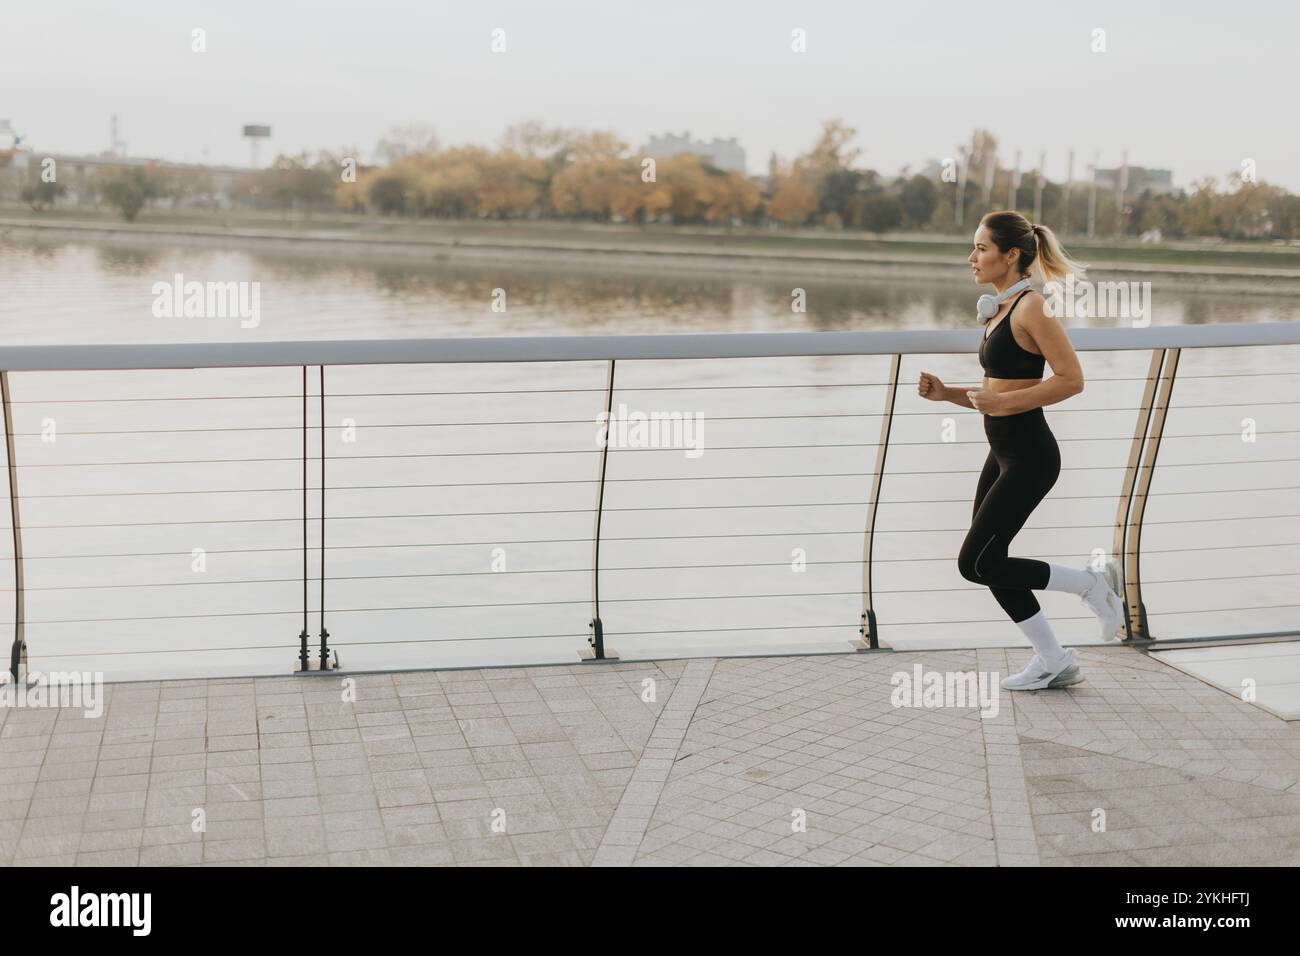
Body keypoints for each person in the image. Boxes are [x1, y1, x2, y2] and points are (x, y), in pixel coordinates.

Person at [917, 211, 1124, 690]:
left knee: (978, 563)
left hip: (1031, 456)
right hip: (1003, 452)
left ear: (1011, 255)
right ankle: (1054, 659)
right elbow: (998, 390)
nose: (972, 258)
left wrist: (1002, 401)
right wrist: (947, 393)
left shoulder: (1032, 307)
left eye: (982, 249)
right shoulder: (1001, 309)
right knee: (989, 561)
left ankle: (1093, 584)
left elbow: (1072, 379)